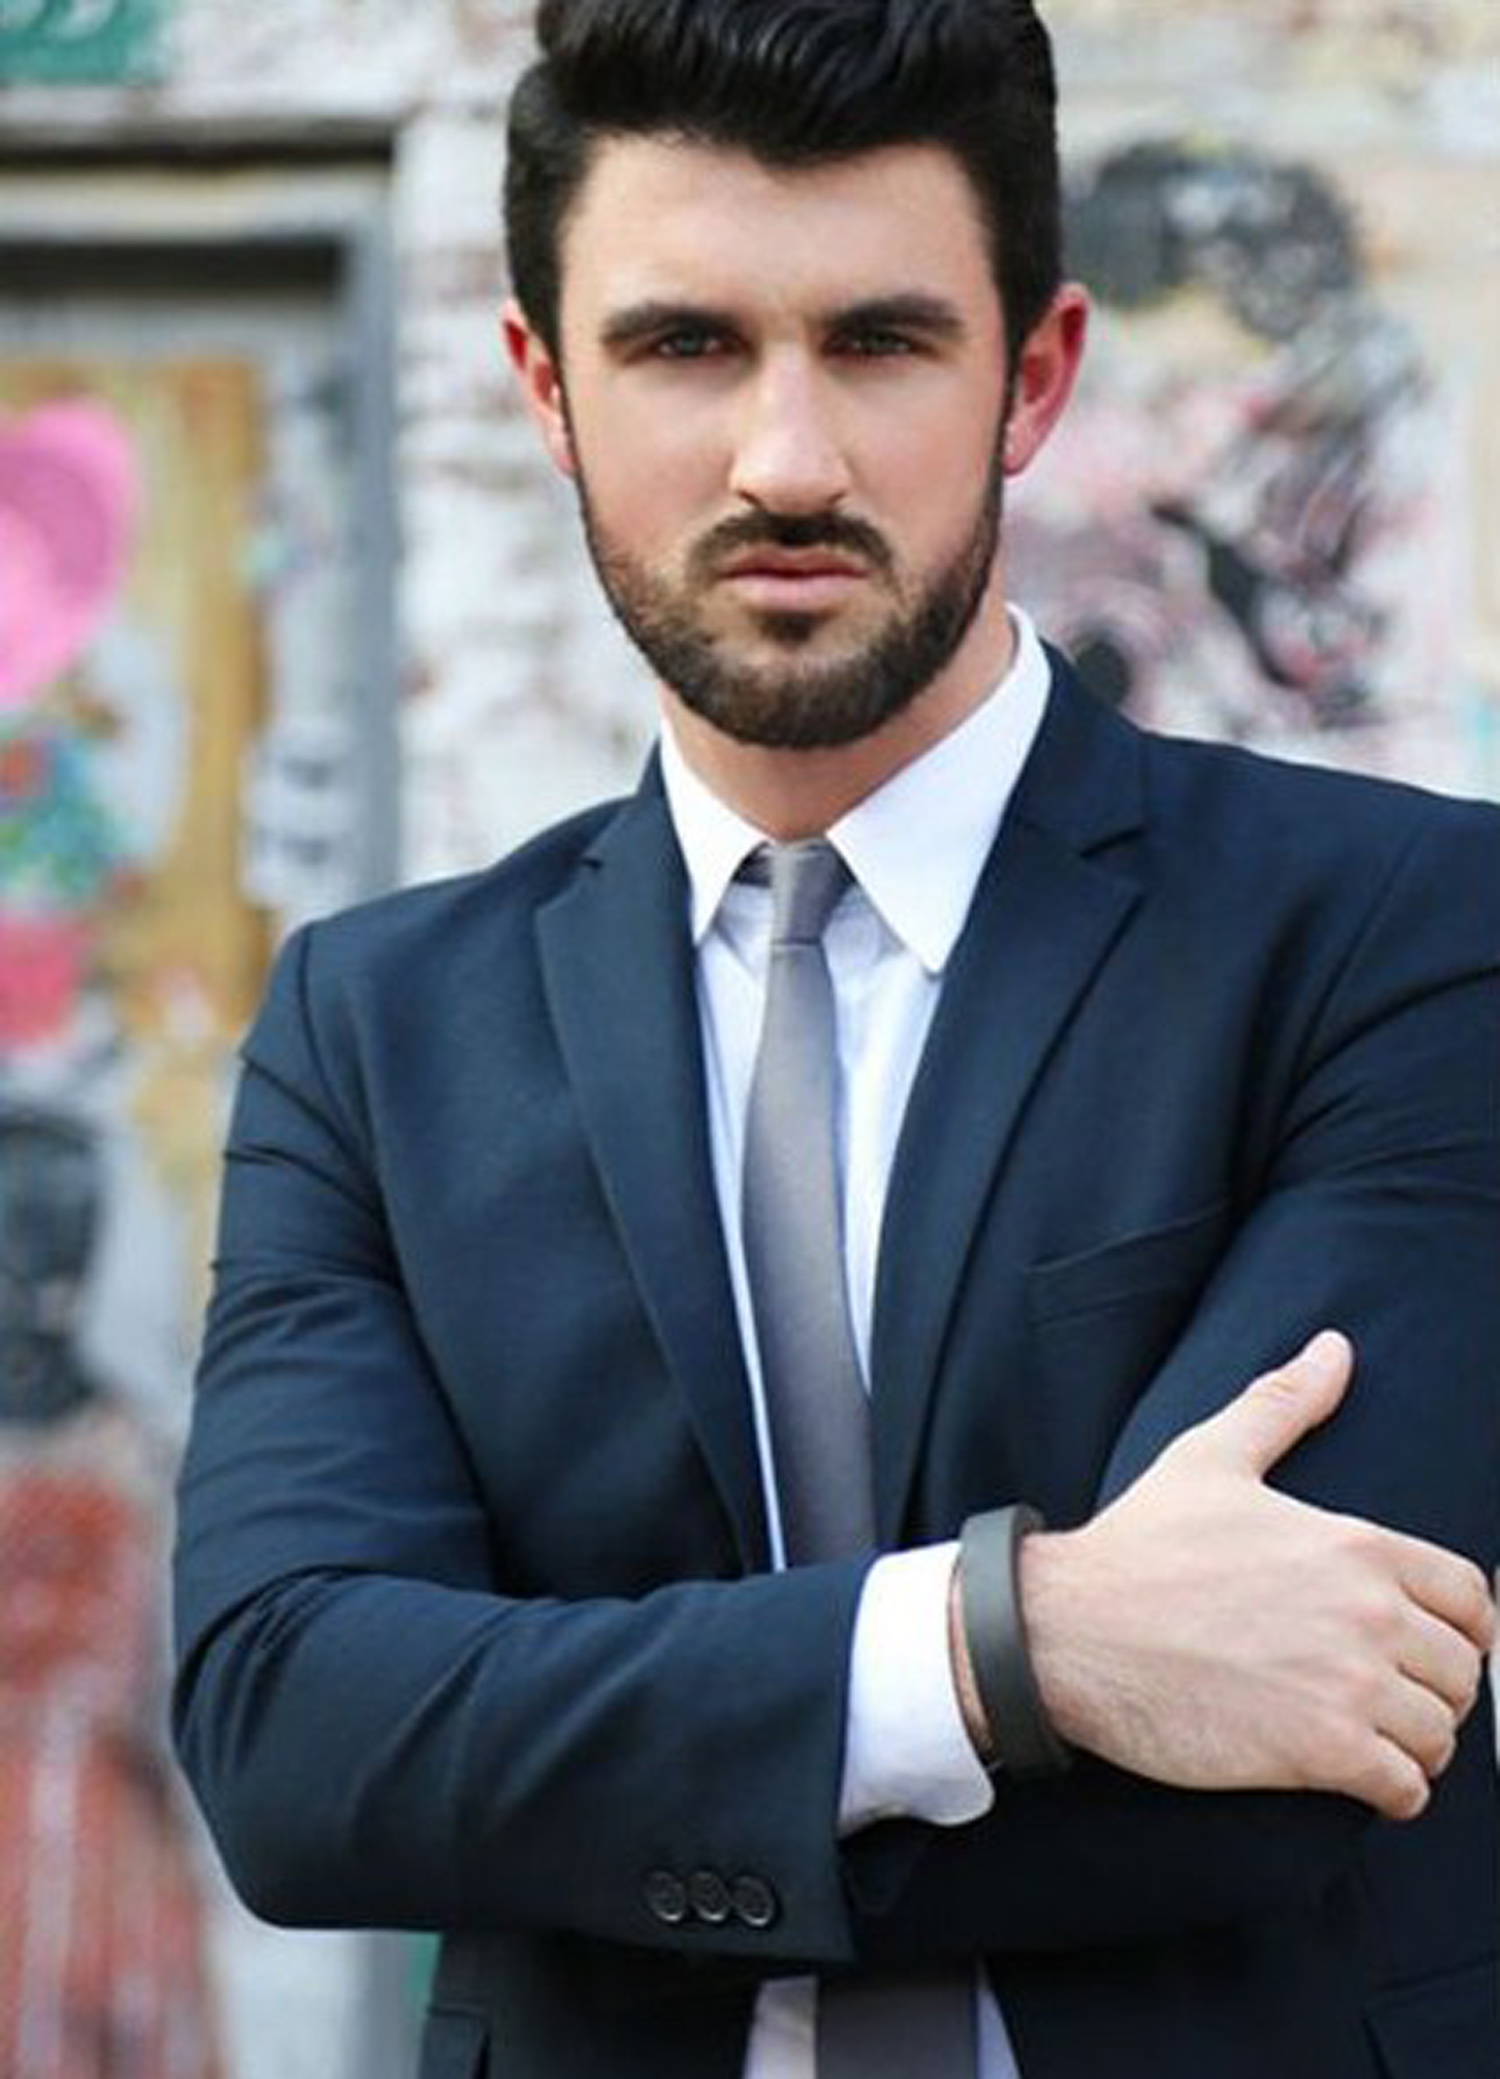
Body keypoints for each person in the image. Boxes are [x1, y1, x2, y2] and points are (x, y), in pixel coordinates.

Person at [171, 4, 1500, 2075]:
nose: (786, 461)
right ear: (543, 386)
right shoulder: (377, 1028)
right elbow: (292, 1746)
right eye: (684, 345)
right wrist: (1011, 1643)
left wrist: (564, 1770)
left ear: (1032, 376)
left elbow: (1297, 1737)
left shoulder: (1402, 934)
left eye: (878, 342)